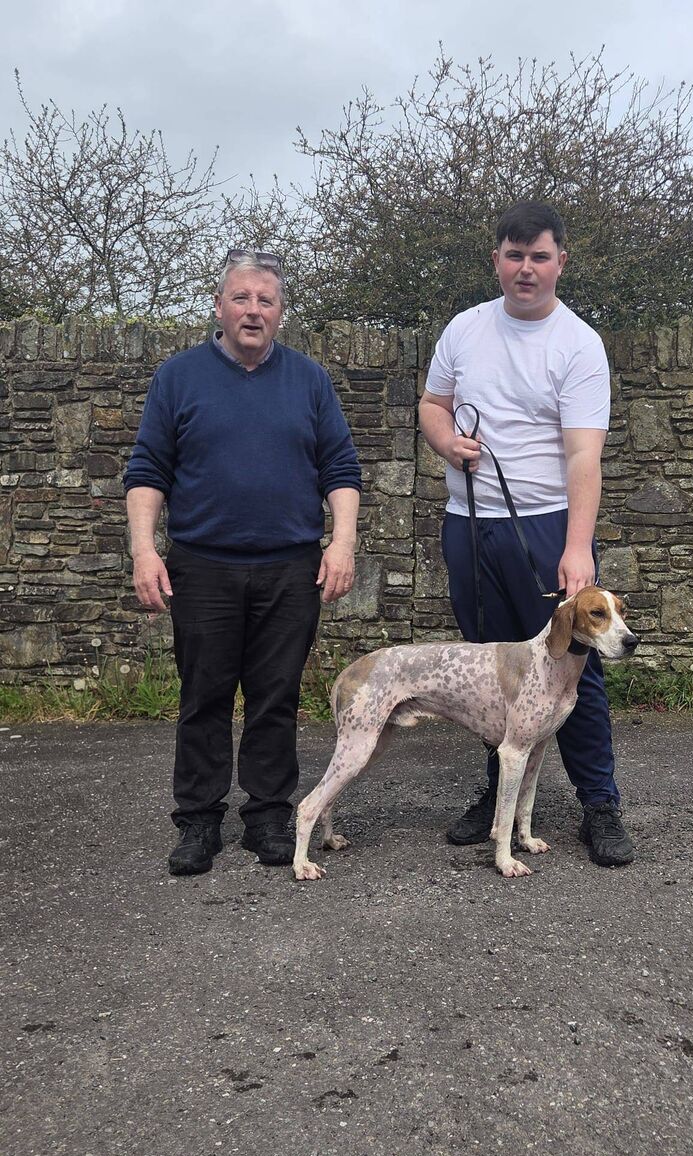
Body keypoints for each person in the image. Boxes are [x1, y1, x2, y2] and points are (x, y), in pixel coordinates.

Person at [124, 249, 361, 876]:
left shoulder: (309, 380)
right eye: (242, 298)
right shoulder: (178, 377)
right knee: (203, 696)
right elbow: (148, 470)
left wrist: (342, 542)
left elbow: (340, 468)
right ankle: (199, 821)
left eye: (266, 300)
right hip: (202, 566)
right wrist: (144, 550)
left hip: (290, 568)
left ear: (281, 313)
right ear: (219, 305)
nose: (253, 310)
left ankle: (268, 817)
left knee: (276, 697)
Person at [418, 201, 635, 867]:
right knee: (493, 670)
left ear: (560, 261)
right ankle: (497, 795)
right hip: (471, 524)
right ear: (497, 261)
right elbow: (433, 405)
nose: (526, 268)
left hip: (547, 530)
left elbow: (582, 458)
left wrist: (576, 547)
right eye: (514, 256)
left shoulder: (578, 344)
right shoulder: (463, 329)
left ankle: (600, 805)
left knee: (577, 671)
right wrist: (447, 443)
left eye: (539, 256)